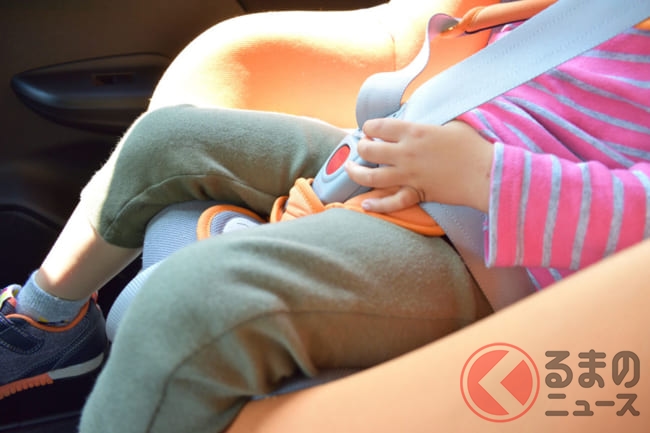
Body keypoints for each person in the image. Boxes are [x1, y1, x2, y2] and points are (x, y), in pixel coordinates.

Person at [0, 11, 648, 433]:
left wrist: (483, 174)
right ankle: (49, 327)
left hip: (501, 248)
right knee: (164, 141)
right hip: (419, 145)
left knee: (186, 304)